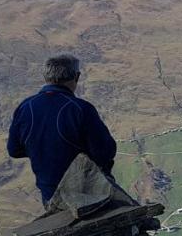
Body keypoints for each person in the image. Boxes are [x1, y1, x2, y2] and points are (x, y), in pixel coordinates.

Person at [7, 54, 117, 205]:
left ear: (45, 77)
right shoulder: (80, 108)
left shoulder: (25, 107)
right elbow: (105, 152)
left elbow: (14, 150)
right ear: (76, 77)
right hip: (87, 191)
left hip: (50, 193)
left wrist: (42, 150)